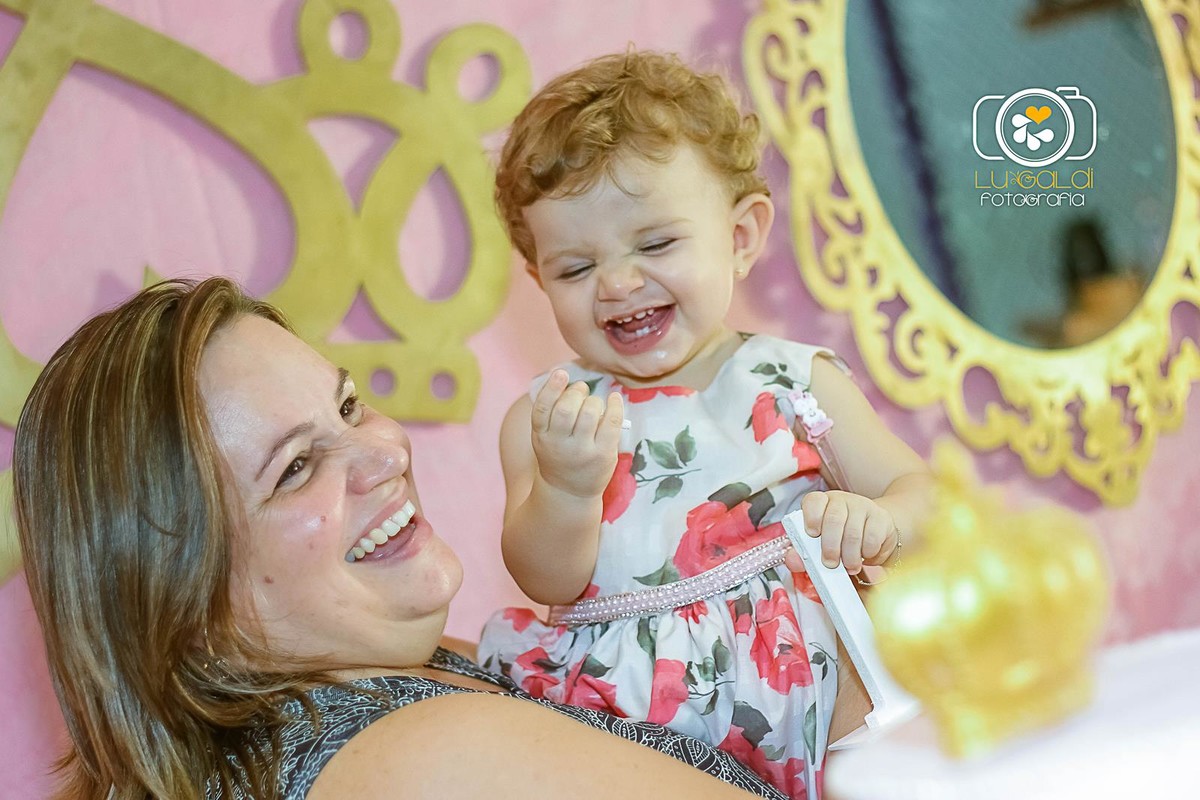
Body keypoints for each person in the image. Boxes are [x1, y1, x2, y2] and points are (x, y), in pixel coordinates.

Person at [12, 277, 788, 799]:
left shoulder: (378, 686)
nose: (387, 453)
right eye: (295, 469)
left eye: (348, 407)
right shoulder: (429, 760)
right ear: (180, 599)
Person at [478, 51, 931, 798]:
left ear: (743, 236)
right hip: (637, 733)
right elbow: (544, 575)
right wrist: (566, 488)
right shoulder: (549, 418)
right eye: (574, 268)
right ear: (538, 280)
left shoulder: (794, 380)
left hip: (824, 695)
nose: (619, 283)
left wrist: (878, 519)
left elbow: (925, 494)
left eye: (655, 244)